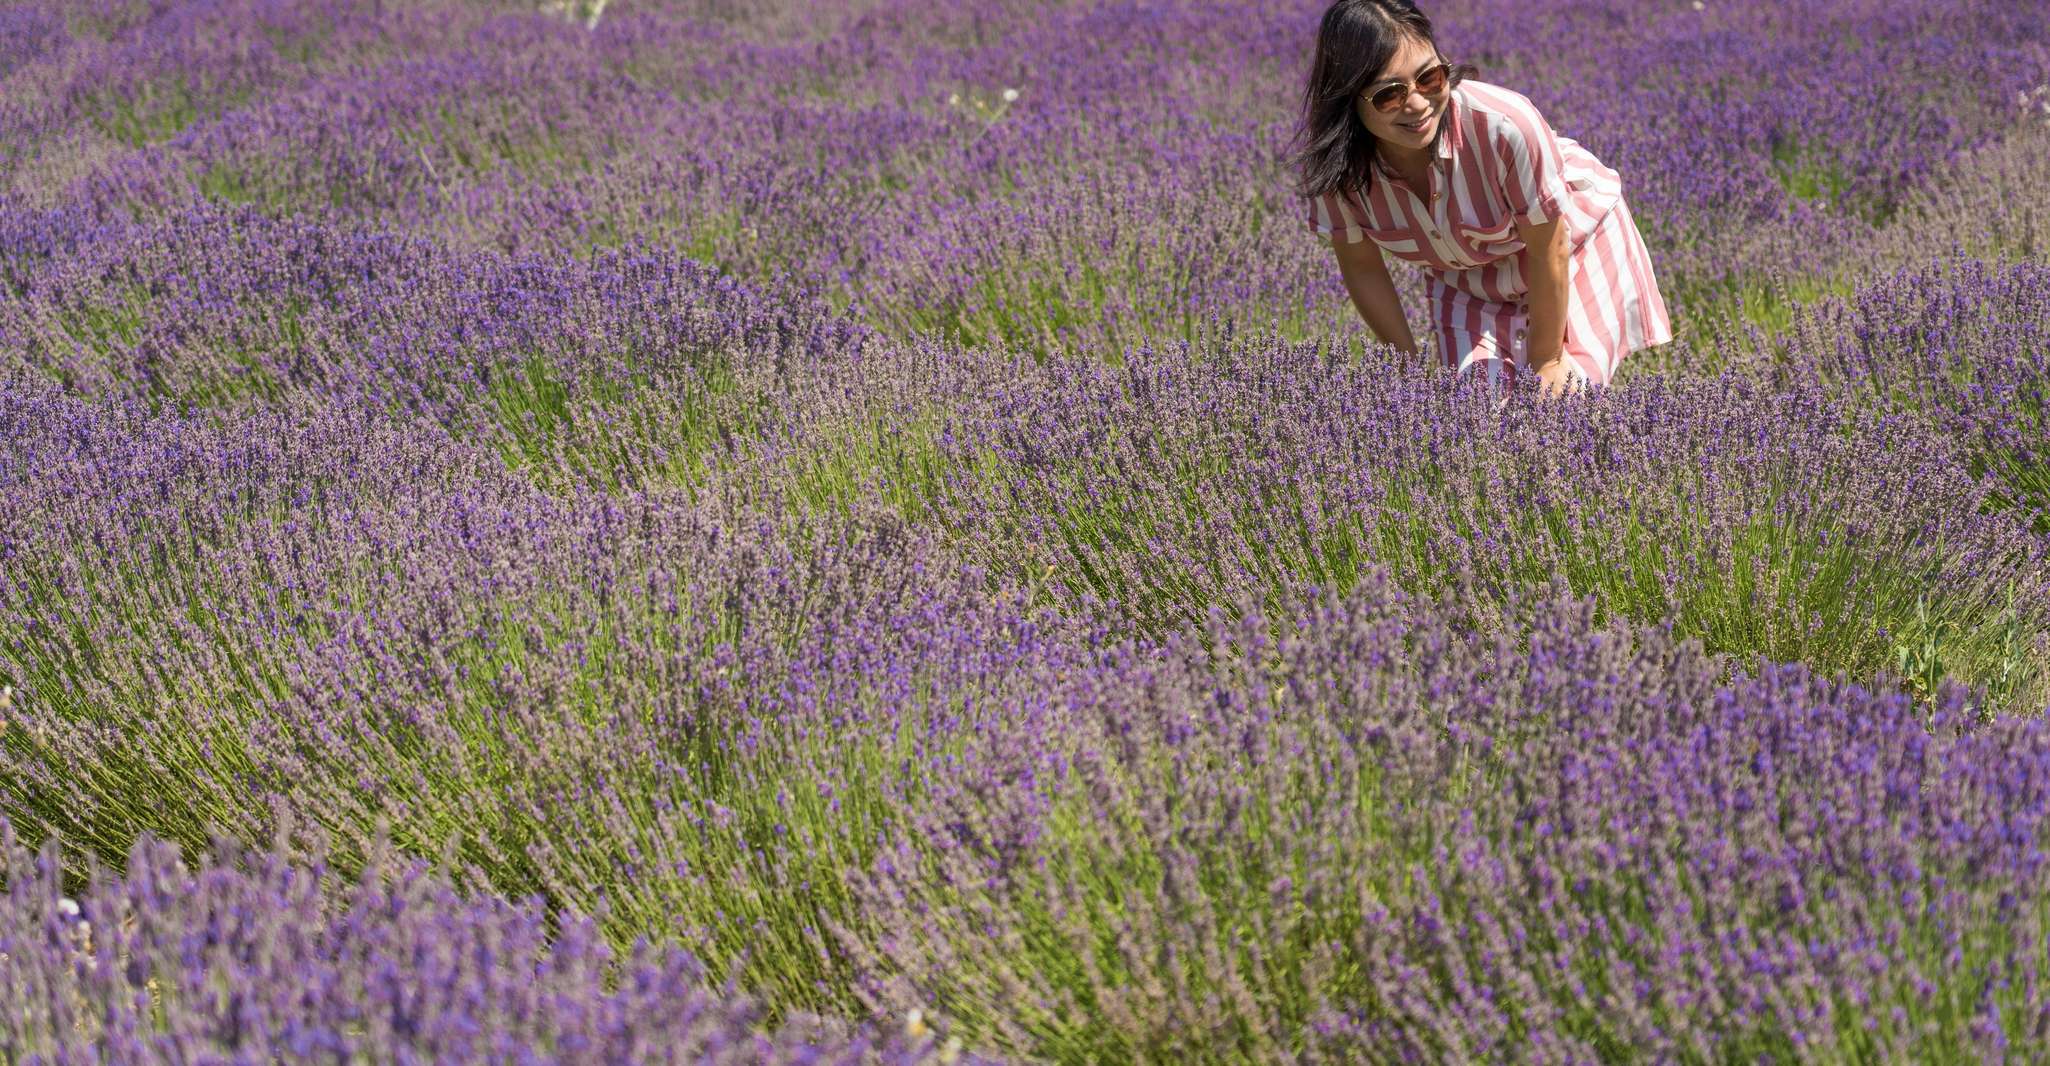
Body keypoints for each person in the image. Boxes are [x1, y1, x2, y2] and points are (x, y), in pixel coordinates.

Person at [1291, 0, 1671, 393]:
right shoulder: (1336, 172)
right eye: (1390, 95)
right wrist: (1407, 372)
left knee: (1562, 405)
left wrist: (1547, 360)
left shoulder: (1504, 127)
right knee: (1480, 417)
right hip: (1466, 278)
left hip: (1572, 244)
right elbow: (1362, 267)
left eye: (1431, 78)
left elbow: (1550, 247)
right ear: (1347, 99)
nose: (1418, 104)